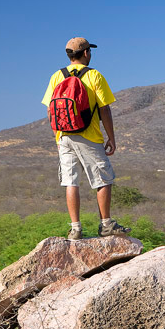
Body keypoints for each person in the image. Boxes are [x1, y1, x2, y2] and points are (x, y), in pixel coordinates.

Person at [41, 37, 131, 239]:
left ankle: (75, 229)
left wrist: (58, 137)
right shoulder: (94, 76)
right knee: (103, 179)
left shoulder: (57, 76)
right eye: (90, 51)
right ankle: (106, 224)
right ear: (86, 53)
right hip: (88, 136)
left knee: (70, 181)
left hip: (63, 136)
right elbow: (104, 109)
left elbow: (50, 111)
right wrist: (111, 137)